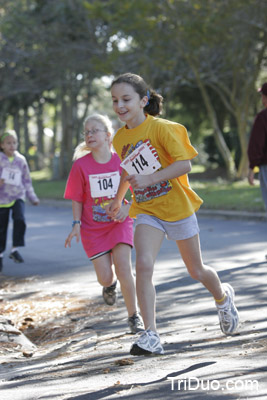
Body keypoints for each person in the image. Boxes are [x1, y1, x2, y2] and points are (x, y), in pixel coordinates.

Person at [106, 73, 239, 356]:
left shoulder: (162, 129)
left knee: (196, 270)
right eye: (115, 100)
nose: (119, 106)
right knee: (142, 264)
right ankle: (150, 335)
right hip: (146, 211)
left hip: (177, 209)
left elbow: (185, 165)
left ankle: (223, 297)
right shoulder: (119, 138)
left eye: (126, 99)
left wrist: (152, 179)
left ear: (143, 101)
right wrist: (119, 199)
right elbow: (127, 171)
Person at [64, 113, 143, 334]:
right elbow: (77, 197)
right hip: (93, 229)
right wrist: (76, 223)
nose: (89, 135)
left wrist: (128, 208)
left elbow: (138, 188)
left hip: (120, 223)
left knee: (124, 268)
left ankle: (133, 316)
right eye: (86, 132)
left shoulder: (122, 162)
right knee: (106, 276)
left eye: (94, 131)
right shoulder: (80, 166)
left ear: (108, 136)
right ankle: (109, 286)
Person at [0, 130, 39, 273]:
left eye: (14, 142)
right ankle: (0, 254)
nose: (12, 145)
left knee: (20, 219)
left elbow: (27, 180)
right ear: (2, 145)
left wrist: (32, 197)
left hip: (18, 196)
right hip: (2, 199)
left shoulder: (21, 160)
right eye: (8, 143)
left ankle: (15, 248)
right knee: (1, 229)